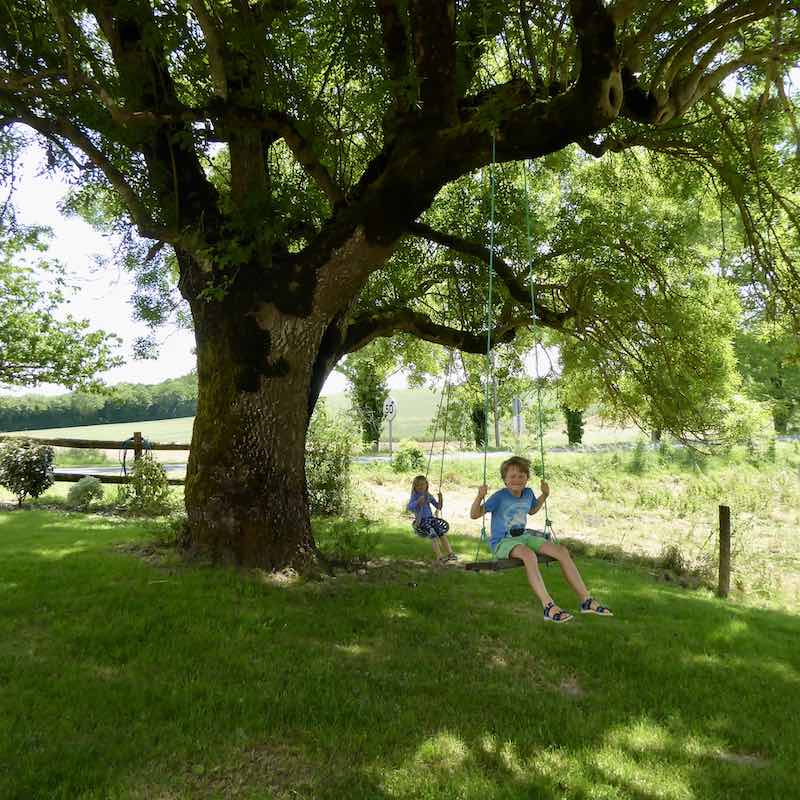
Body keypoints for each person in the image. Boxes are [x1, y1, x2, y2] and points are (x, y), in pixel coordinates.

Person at [470, 455, 613, 623]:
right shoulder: (499, 497)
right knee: (529, 555)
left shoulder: (529, 492)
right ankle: (548, 606)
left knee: (561, 551)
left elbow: (531, 510)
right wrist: (480, 496)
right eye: (512, 476)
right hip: (502, 542)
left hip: (523, 536)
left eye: (521, 476)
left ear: (527, 478)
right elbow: (474, 514)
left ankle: (586, 600)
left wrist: (544, 495)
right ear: (505, 480)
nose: (517, 479)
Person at [407, 475, 458, 563]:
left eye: (423, 484)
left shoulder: (428, 495)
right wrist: (418, 502)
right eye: (418, 485)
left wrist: (441, 499)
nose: (421, 487)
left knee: (441, 533)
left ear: (427, 485)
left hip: (431, 519)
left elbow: (438, 506)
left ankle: (450, 553)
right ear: (414, 486)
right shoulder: (415, 496)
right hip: (421, 521)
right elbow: (409, 507)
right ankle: (440, 556)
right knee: (433, 535)